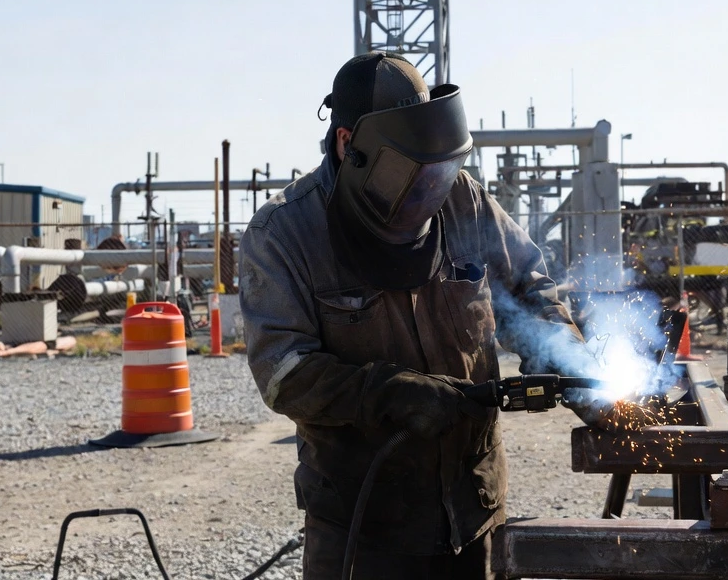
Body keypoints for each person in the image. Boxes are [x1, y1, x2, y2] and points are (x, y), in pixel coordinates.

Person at [240, 52, 596, 579]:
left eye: (440, 172)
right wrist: (389, 392)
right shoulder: (284, 235)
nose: (432, 195)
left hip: (472, 509)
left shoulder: (463, 200)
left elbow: (526, 288)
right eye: (414, 175)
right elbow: (284, 374)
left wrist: (575, 367)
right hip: (361, 523)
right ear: (348, 145)